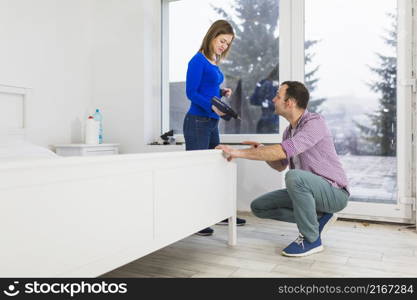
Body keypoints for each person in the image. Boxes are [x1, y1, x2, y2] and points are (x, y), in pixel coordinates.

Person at [216, 81, 349, 256]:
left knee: (294, 177)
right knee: (259, 207)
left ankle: (311, 239)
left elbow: (283, 151)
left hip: (334, 192)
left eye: (278, 96)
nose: (273, 99)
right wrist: (261, 149)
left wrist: (237, 152)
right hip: (309, 190)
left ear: (290, 102)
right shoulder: (288, 131)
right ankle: (319, 219)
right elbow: (280, 165)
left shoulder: (315, 123)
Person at [183, 20, 246, 236]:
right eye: (222, 41)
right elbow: (191, 93)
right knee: (199, 172)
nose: (224, 46)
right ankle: (196, 219)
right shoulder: (197, 61)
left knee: (216, 168)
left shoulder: (214, 60)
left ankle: (218, 213)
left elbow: (207, 89)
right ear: (212, 36)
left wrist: (220, 93)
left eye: (227, 43)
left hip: (211, 122)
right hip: (197, 122)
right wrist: (212, 104)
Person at [250, 65, 279, 133]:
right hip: (268, 123)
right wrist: (265, 103)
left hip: (272, 123)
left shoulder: (278, 85)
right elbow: (253, 100)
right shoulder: (265, 83)